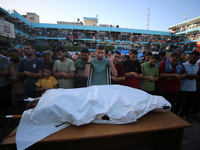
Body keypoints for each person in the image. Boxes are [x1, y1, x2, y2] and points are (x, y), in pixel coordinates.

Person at [175, 51, 200, 122]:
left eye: (197, 58)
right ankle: (176, 115)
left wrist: (196, 76)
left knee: (189, 103)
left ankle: (184, 115)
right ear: (189, 57)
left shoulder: (197, 65)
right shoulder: (183, 65)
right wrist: (189, 76)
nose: (196, 60)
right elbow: (180, 76)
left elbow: (197, 74)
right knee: (179, 103)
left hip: (193, 87)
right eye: (195, 58)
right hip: (183, 87)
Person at [8, 49, 25, 114]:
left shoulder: (23, 62)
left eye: (13, 55)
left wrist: (19, 78)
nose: (11, 57)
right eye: (10, 56)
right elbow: (7, 75)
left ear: (18, 55)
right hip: (14, 89)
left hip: (23, 89)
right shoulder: (10, 65)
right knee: (16, 106)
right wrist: (14, 79)